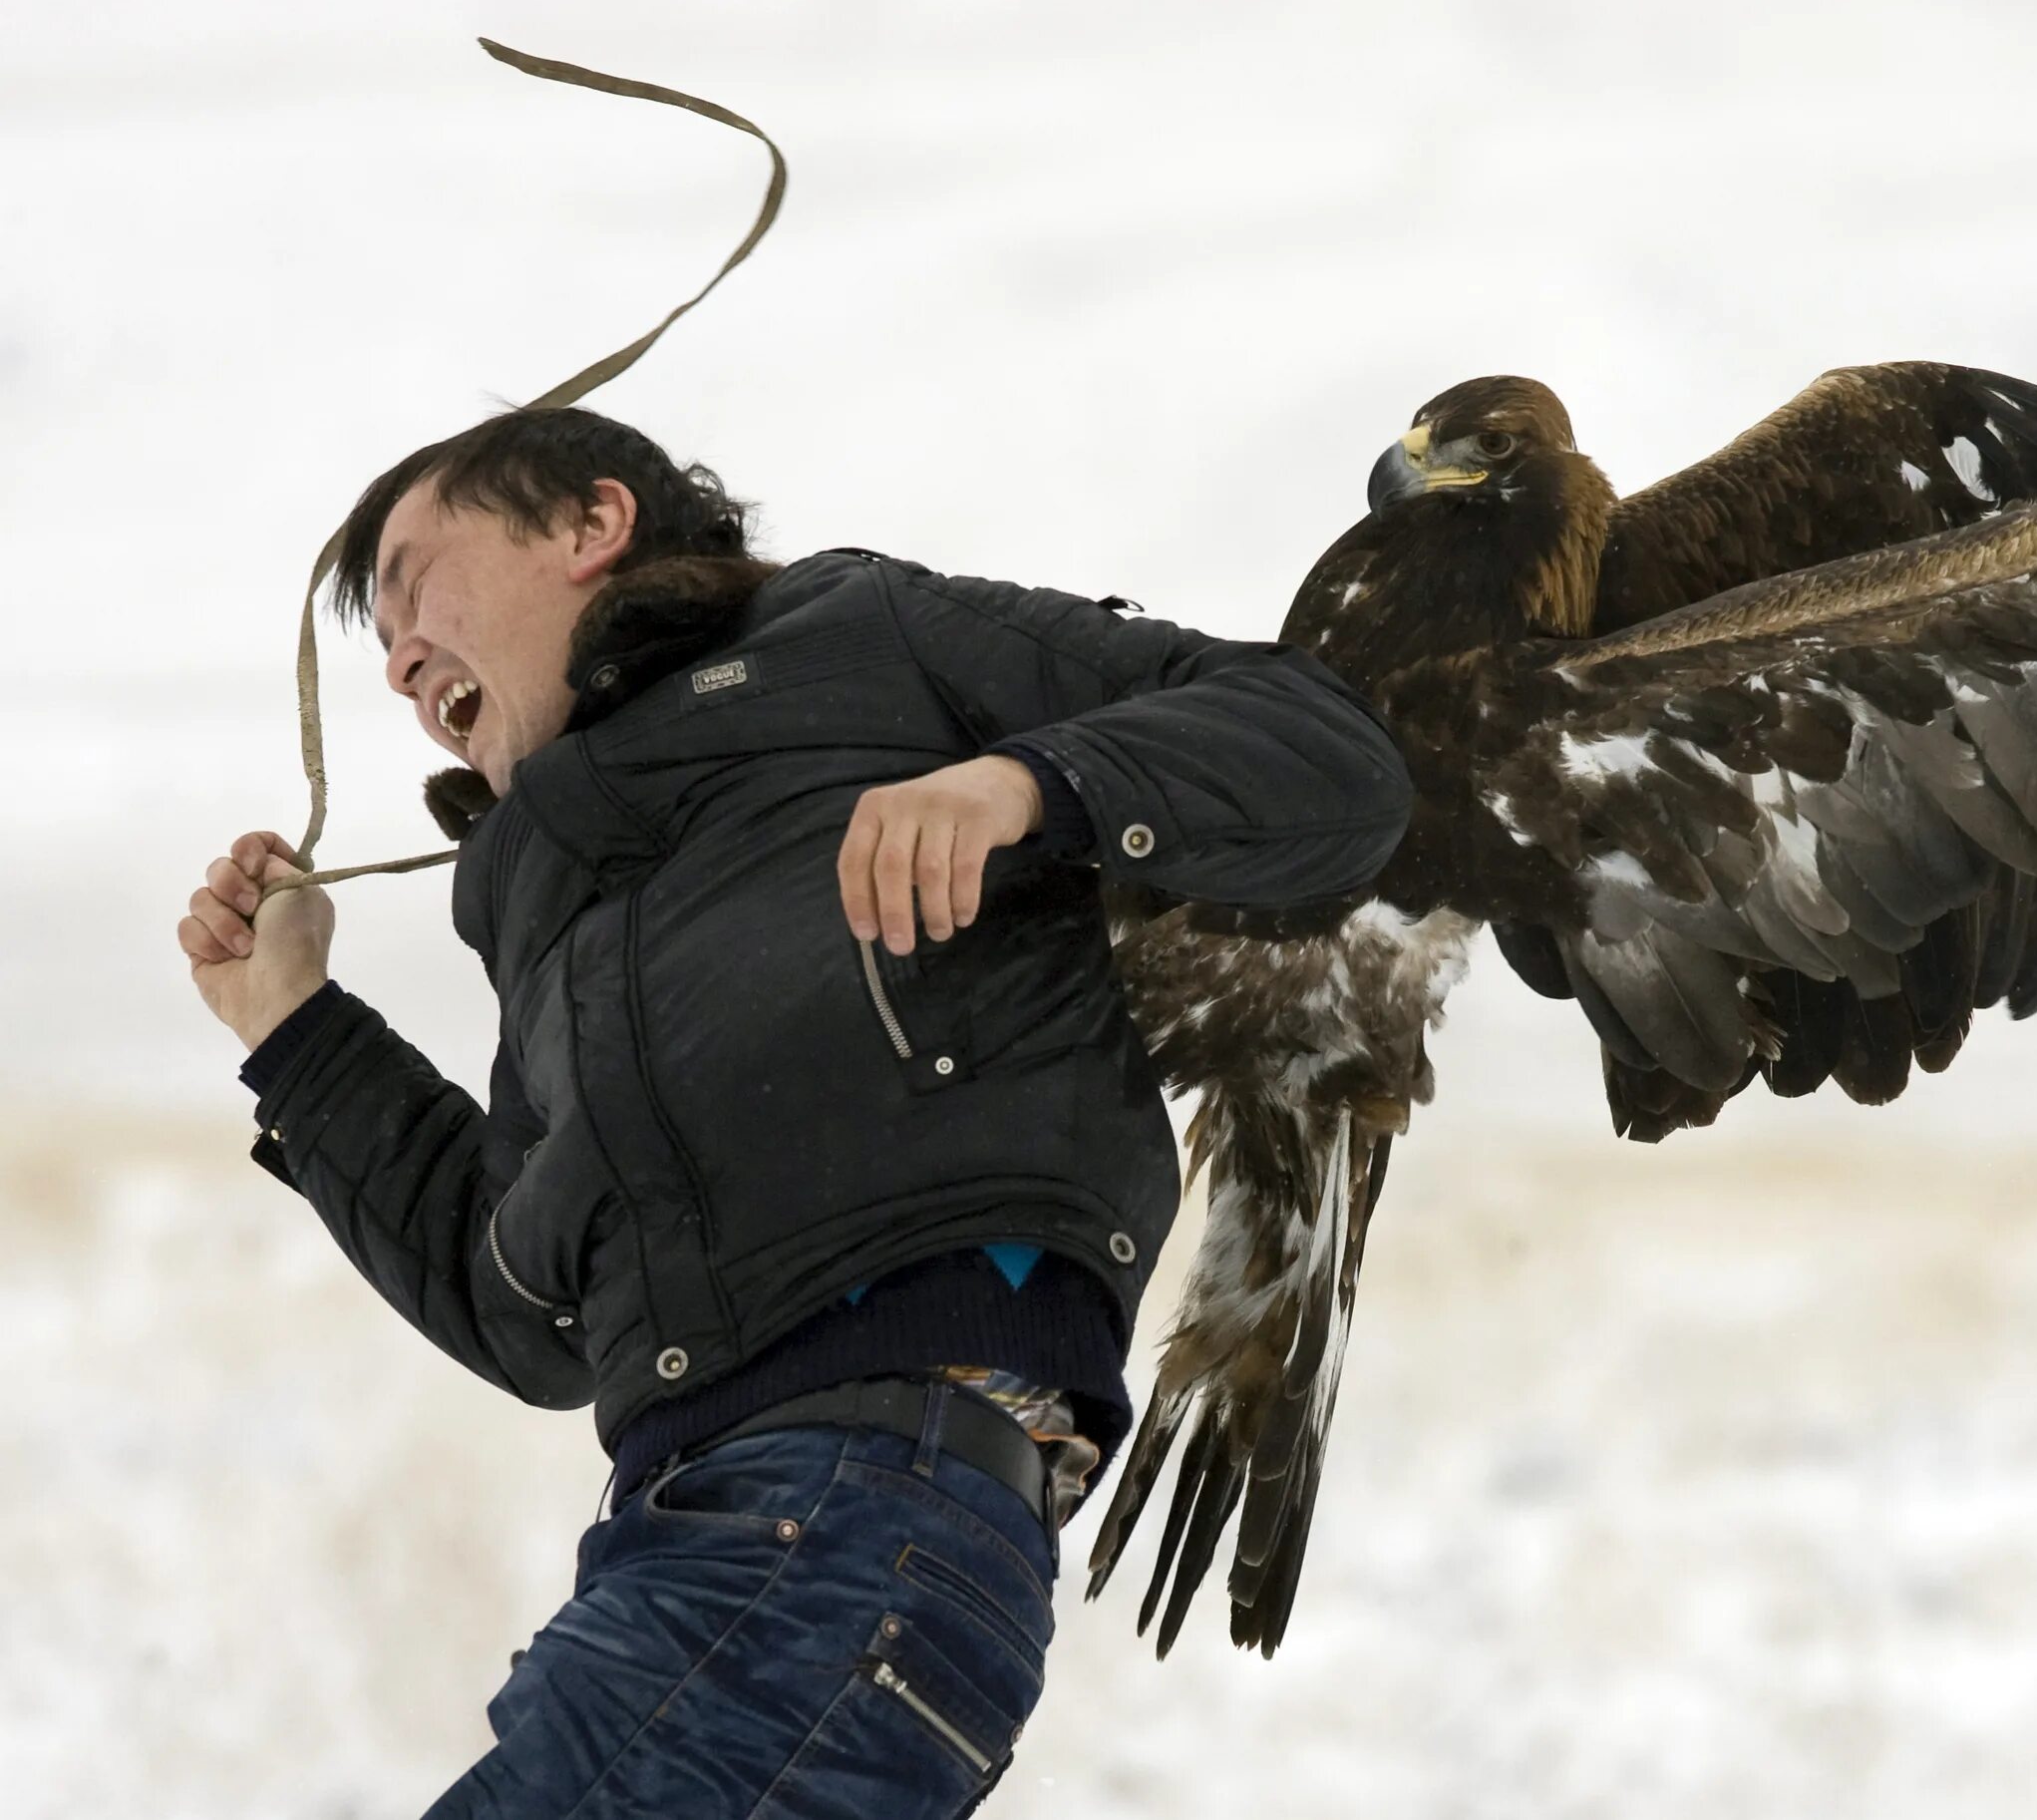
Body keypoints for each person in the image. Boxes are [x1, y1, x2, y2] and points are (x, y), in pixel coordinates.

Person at [175, 406, 1413, 1817]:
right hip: (705, 1545)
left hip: (858, 1503)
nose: (397, 661)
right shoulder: (545, 903)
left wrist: (1032, 783)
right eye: (379, 643)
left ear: (592, 526)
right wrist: (296, 1032)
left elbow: (1329, 752)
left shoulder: (863, 634)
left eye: (417, 585)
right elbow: (522, 1309)